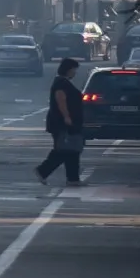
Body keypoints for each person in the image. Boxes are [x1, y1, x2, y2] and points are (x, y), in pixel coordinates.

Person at [35, 57, 85, 187]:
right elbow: (60, 100)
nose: (75, 73)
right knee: (64, 150)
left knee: (71, 150)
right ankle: (43, 170)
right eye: (74, 70)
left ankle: (73, 178)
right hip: (61, 123)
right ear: (68, 70)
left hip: (65, 122)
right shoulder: (61, 83)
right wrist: (67, 117)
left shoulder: (63, 82)